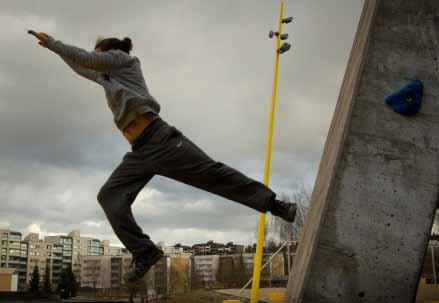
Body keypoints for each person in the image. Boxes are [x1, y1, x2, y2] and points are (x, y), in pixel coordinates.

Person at [28, 31, 297, 283]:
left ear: (108, 53)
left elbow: (88, 60)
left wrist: (54, 43)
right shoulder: (106, 77)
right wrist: (53, 50)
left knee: (213, 174)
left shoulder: (124, 61)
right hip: (140, 152)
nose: (97, 61)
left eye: (99, 55)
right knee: (109, 195)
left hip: (162, 140)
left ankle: (276, 205)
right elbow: (82, 67)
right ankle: (144, 252)